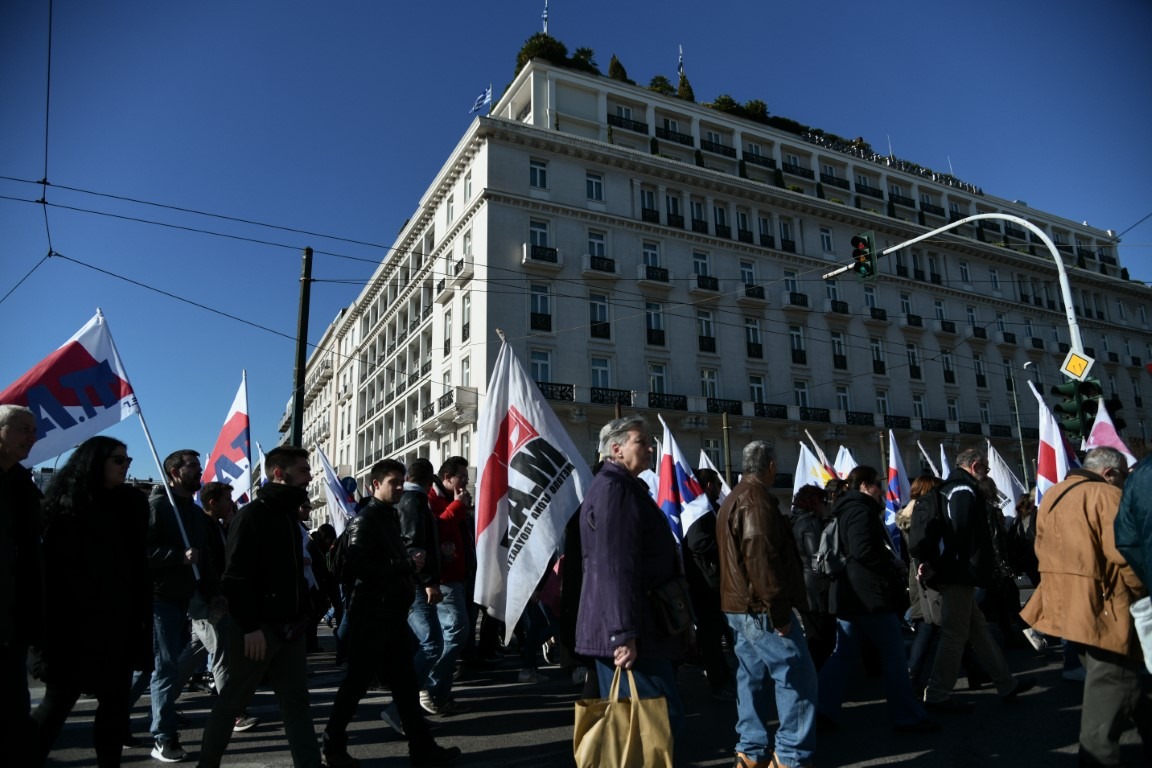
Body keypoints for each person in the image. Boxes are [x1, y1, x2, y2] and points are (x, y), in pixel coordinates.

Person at [320, 459, 460, 768]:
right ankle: (332, 747)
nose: (398, 487)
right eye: (392, 482)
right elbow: (357, 567)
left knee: (406, 686)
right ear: (375, 485)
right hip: (370, 617)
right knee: (355, 684)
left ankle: (422, 749)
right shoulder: (366, 521)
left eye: (400, 481)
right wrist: (406, 565)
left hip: (390, 614)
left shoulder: (389, 518)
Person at [1020, 447, 1151, 766]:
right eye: (1122, 477)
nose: (1124, 484)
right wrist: (1143, 591)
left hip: (1068, 609)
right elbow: (1126, 556)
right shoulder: (1105, 496)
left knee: (1127, 686)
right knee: (1111, 692)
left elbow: (1038, 547)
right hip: (1106, 609)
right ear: (1109, 473)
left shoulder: (1052, 495)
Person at [196, 446, 322, 768]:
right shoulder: (252, 516)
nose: (309, 476)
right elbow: (235, 578)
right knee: (233, 701)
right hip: (259, 630)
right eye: (304, 470)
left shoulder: (288, 516)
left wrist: (305, 614)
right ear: (280, 474)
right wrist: (250, 627)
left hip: (291, 628)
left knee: (296, 704)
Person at [31, 436, 152, 767]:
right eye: (118, 460)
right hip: (73, 628)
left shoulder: (130, 505)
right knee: (56, 707)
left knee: (115, 709)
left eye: (127, 460)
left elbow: (137, 565)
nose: (126, 466)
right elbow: (54, 579)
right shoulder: (65, 510)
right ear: (94, 462)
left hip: (119, 624)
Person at [575, 416, 687, 751]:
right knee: (658, 725)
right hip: (631, 630)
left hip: (636, 625)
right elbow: (614, 565)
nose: (651, 447)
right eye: (643, 441)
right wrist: (622, 633)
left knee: (641, 730)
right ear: (616, 448)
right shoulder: (615, 489)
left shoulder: (622, 486)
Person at [717, 440, 817, 768]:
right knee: (797, 676)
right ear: (770, 466)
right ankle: (790, 757)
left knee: (751, 677)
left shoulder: (734, 497)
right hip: (761, 608)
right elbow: (761, 559)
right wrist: (779, 612)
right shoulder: (756, 501)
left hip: (738, 604)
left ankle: (751, 751)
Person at [816, 466, 937, 733]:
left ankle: (821, 708)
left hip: (850, 596)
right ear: (864, 486)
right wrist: (890, 564)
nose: (881, 491)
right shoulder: (860, 511)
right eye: (876, 485)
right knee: (893, 656)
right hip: (869, 596)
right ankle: (908, 716)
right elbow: (863, 551)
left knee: (842, 655)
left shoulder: (845, 509)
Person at [920, 447, 1035, 713]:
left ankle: (1006, 683)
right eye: (984, 468)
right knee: (954, 634)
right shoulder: (963, 490)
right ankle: (937, 694)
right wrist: (949, 565)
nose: (987, 472)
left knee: (978, 630)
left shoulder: (953, 488)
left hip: (956, 571)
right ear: (974, 466)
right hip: (959, 572)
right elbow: (958, 533)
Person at [141, 449, 219, 762]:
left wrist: (213, 592)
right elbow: (143, 552)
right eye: (193, 467)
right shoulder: (159, 506)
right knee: (166, 667)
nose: (199, 472)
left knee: (158, 667)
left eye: (199, 467)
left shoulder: (195, 513)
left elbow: (206, 558)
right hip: (161, 598)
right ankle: (163, 736)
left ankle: (118, 713)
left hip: (186, 596)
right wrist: (177, 557)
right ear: (174, 471)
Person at [0, 404, 44, 768]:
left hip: (14, 621)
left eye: (34, 429)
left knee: (16, 716)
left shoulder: (23, 485)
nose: (33, 437)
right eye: (24, 429)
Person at [682, 466, 736, 699]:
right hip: (706, 583)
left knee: (719, 633)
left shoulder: (710, 509)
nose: (721, 488)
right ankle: (718, 680)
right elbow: (698, 544)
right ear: (708, 486)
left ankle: (723, 675)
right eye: (717, 483)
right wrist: (726, 547)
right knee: (712, 635)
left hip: (713, 582)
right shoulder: (699, 512)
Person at [787, 483, 834, 669]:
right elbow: (818, 557)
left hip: (803, 585)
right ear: (814, 503)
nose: (827, 505)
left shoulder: (796, 521)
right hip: (816, 588)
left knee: (815, 635)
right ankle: (817, 679)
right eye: (824, 502)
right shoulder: (811, 523)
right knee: (822, 638)